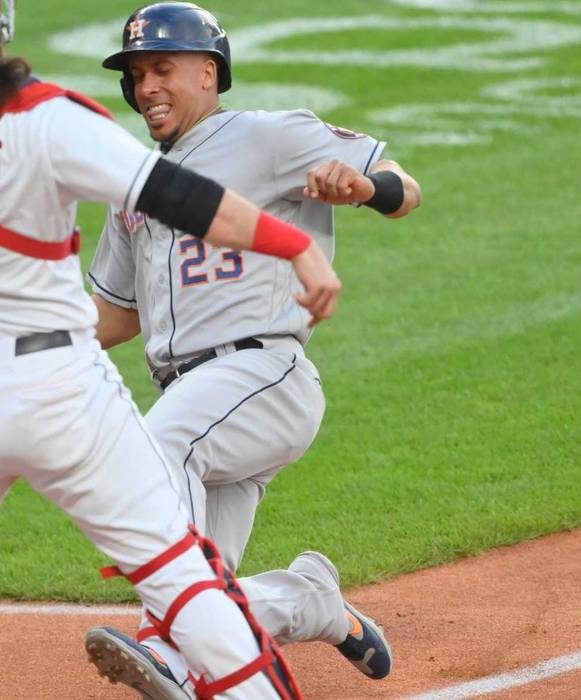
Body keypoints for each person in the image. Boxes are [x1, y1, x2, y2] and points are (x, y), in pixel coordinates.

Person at [0, 0, 349, 698]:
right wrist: (294, 244)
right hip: (60, 393)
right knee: (185, 584)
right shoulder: (45, 118)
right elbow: (181, 196)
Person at [81, 3, 423, 699]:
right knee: (208, 600)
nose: (145, 87)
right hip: (195, 397)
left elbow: (403, 190)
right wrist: (18, 342)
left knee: (153, 454)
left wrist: (360, 187)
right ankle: (308, 602)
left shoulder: (269, 136)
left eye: (161, 69)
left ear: (208, 73)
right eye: (136, 73)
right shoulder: (134, 181)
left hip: (262, 373)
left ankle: (158, 645)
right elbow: (116, 316)